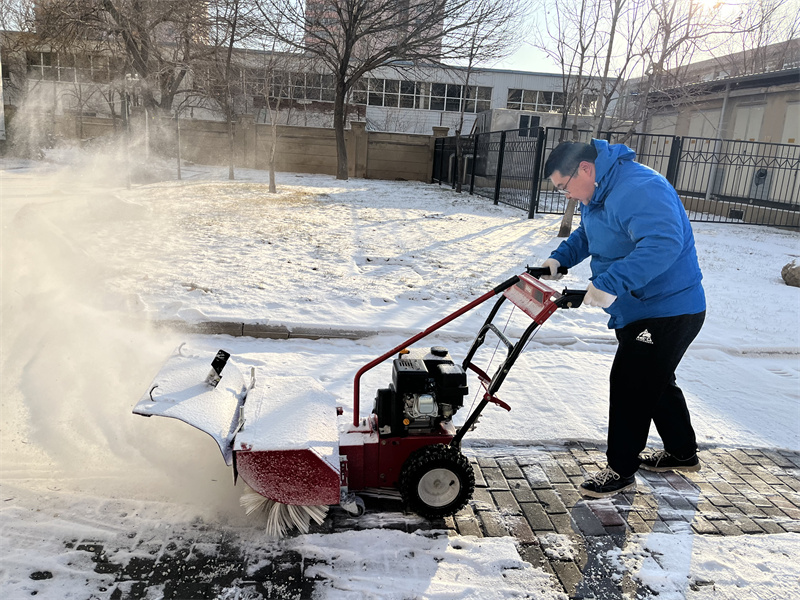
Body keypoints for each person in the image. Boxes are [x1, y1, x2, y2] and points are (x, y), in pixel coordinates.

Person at [540, 139, 706, 499]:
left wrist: (607, 284)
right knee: (655, 380)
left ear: (585, 169)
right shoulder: (600, 191)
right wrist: (559, 259)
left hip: (667, 309)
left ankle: (620, 470)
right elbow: (590, 233)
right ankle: (682, 452)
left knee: (632, 382)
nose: (566, 196)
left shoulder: (638, 188)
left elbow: (663, 244)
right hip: (639, 306)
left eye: (564, 187)